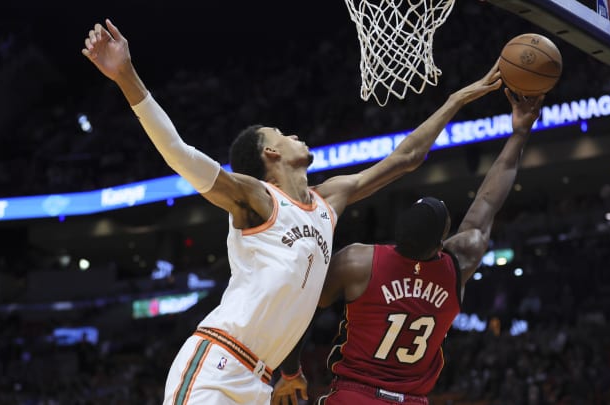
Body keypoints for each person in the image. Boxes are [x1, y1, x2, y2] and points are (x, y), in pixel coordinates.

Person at [81, 19, 502, 405]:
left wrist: (458, 98)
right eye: (282, 133)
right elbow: (178, 153)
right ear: (270, 153)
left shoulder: (329, 200)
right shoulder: (257, 198)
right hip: (218, 363)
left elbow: (406, 158)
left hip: (260, 381)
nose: (295, 134)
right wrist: (126, 76)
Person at [272, 90, 544, 405]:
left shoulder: (358, 261)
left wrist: (290, 371)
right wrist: (520, 133)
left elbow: (300, 310)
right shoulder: (458, 263)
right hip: (411, 399)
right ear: (442, 243)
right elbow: (487, 201)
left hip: (354, 396)